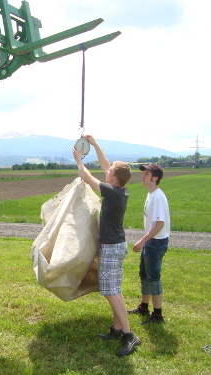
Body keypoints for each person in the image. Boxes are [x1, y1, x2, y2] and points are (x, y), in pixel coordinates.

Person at [72, 135, 140, 357]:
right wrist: (95, 143)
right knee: (114, 290)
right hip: (115, 245)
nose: (106, 171)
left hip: (112, 247)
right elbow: (106, 165)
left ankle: (129, 335)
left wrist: (79, 159)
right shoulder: (119, 190)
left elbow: (86, 176)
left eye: (110, 171)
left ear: (115, 178)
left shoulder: (111, 191)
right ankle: (116, 329)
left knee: (111, 292)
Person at [128, 164, 170, 324]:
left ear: (155, 178)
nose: (143, 176)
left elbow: (160, 224)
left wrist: (142, 240)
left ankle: (158, 315)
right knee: (144, 276)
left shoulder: (157, 197)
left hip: (156, 243)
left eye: (146, 173)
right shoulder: (151, 194)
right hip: (151, 242)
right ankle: (144, 307)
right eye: (143, 173)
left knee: (153, 278)